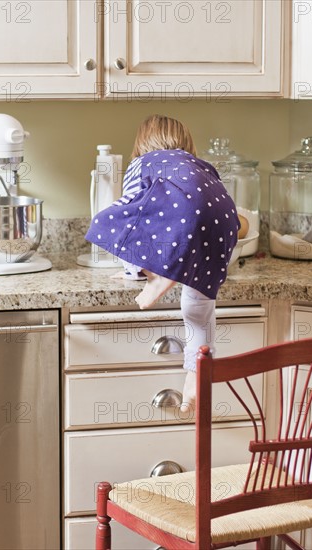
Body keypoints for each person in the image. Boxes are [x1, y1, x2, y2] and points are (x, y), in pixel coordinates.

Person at [86, 115, 239, 412]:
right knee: (198, 308)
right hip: (223, 220)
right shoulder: (200, 166)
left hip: (180, 223)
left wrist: (133, 269)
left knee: (110, 220)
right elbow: (208, 205)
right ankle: (197, 373)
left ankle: (157, 273)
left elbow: (134, 214)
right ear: (188, 143)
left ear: (140, 144)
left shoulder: (142, 164)